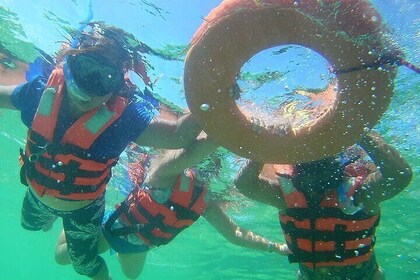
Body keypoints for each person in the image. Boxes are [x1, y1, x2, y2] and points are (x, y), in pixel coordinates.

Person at [0, 22, 201, 280]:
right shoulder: (39, 93)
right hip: (37, 195)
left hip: (84, 210)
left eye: (106, 78)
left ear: (118, 86)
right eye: (85, 68)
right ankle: (50, 216)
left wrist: (214, 97)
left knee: (85, 266)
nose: (89, 89)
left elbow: (179, 134)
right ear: (68, 63)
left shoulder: (123, 119)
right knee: (29, 225)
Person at [55, 134, 290, 279]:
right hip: (112, 229)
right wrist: (222, 130)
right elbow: (191, 154)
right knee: (63, 257)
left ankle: (92, 233)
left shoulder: (204, 201)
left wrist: (276, 247)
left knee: (131, 276)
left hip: (139, 242)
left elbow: (235, 233)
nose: (203, 172)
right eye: (201, 165)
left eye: (211, 170)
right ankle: (81, 220)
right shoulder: (163, 174)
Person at [234, 131, 412, 280]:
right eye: (308, 171)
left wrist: (360, 131)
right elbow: (244, 184)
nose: (314, 180)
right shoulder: (287, 197)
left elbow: (400, 176)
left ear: (338, 167)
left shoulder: (359, 194)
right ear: (295, 172)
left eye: (321, 168)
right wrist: (267, 143)